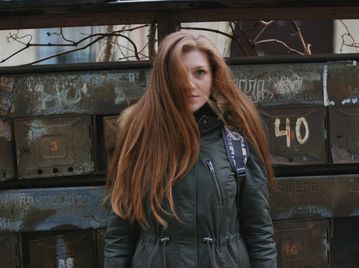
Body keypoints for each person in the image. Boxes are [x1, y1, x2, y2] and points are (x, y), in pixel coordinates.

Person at [104, 31, 277, 268]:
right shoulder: (139, 137)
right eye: (178, 74)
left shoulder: (236, 137)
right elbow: (120, 234)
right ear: (164, 79)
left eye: (199, 72)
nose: (189, 84)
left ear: (213, 76)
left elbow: (259, 230)